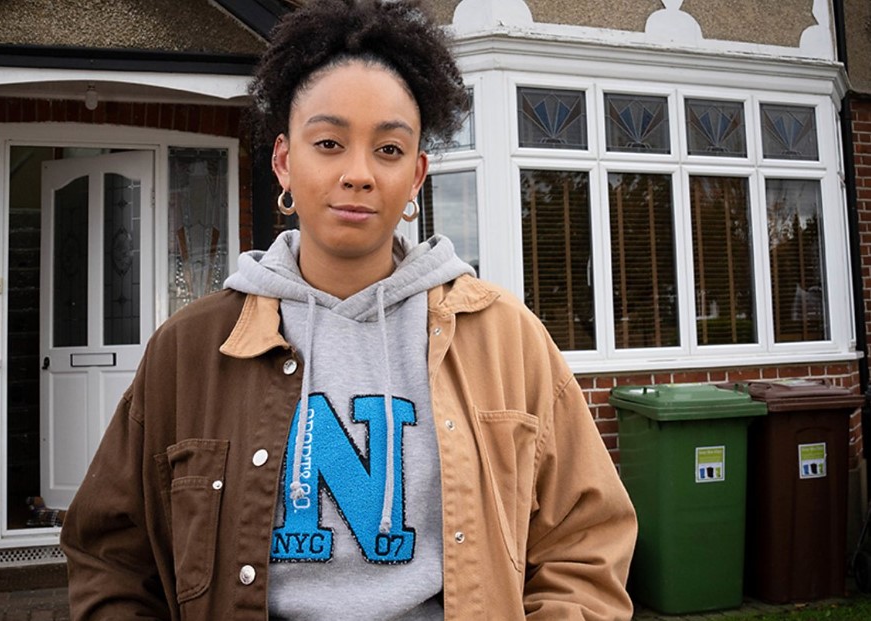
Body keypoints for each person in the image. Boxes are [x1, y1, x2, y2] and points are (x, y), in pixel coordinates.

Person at [60, 0, 637, 619]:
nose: (359, 173)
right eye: (330, 143)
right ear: (285, 161)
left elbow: (586, 541)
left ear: (416, 175)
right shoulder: (191, 349)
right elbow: (112, 557)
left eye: (388, 149)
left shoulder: (505, 339)